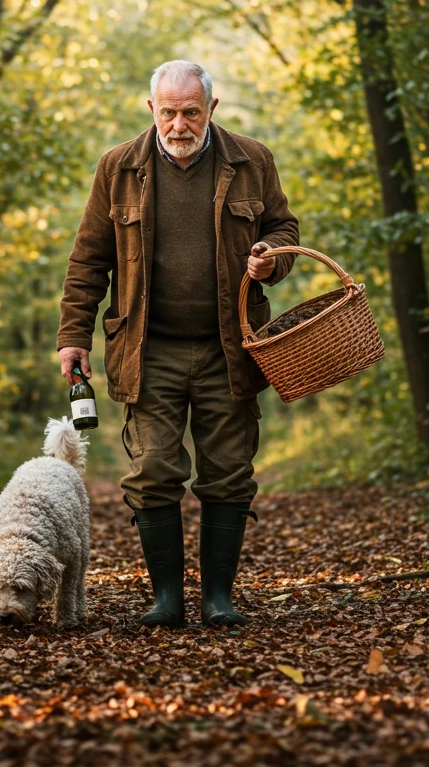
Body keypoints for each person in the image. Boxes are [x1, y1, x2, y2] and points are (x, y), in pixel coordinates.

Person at [55, 60, 300, 628]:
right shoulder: (117, 168)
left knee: (229, 471)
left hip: (230, 347)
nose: (179, 124)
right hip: (148, 349)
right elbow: (88, 259)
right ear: (151, 110)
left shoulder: (252, 160)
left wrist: (270, 261)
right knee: (153, 471)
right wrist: (73, 335)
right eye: (168, 112)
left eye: (191, 111)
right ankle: (167, 599)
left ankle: (219, 598)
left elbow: (284, 230)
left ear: (211, 109)